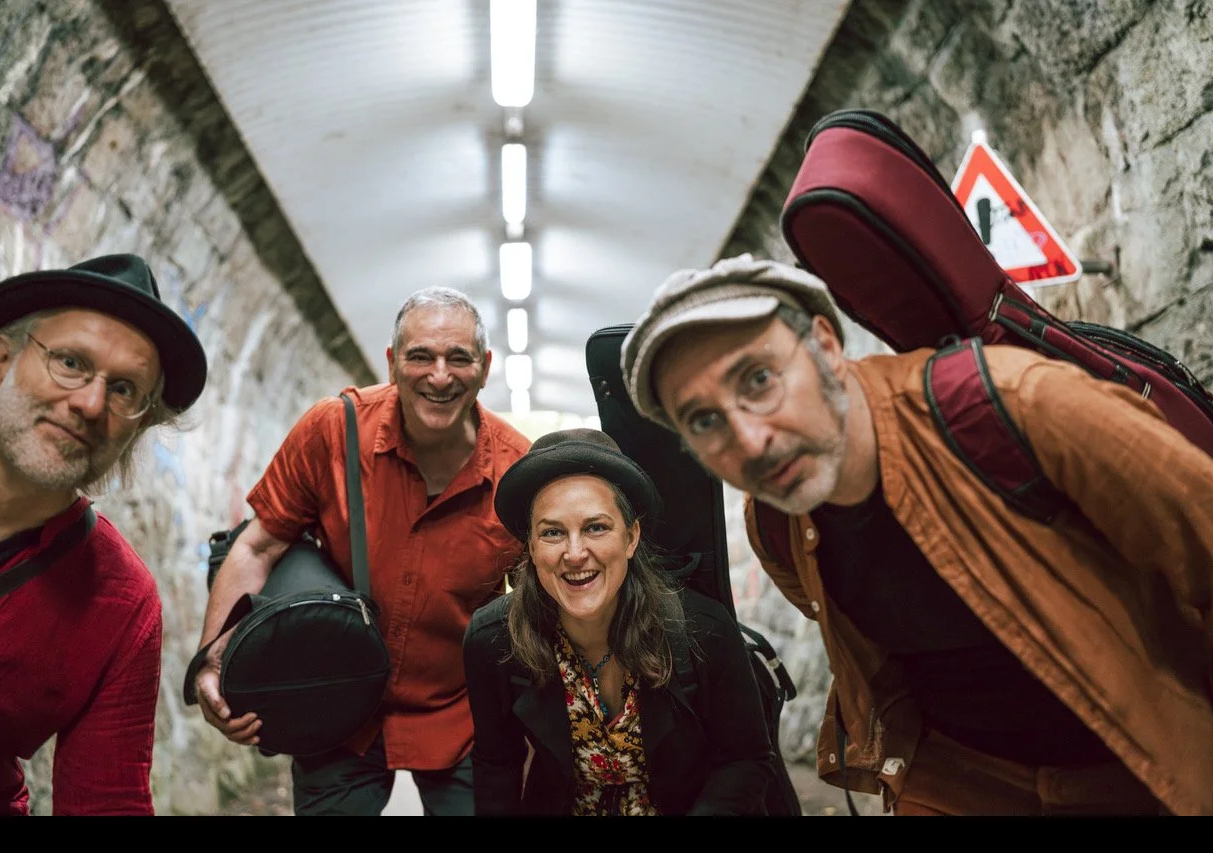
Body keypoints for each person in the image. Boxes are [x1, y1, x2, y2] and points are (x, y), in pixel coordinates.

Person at [620, 251, 1213, 816]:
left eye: (758, 380)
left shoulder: (1022, 404)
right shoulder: (776, 522)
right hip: (961, 779)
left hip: (1140, 761)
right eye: (703, 419)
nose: (750, 441)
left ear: (826, 346)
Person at [193, 286, 531, 816]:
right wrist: (213, 660)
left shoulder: (517, 474)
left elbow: (538, 609)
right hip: (334, 702)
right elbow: (258, 545)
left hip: (459, 716)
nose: (440, 375)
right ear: (392, 363)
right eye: (420, 356)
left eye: (458, 358)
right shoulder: (333, 431)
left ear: (485, 368)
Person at [0, 253, 208, 816]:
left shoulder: (119, 604)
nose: (90, 403)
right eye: (70, 362)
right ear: (1, 363)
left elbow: (107, 801)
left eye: (125, 390)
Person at [463, 427, 777, 815]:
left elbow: (745, 761)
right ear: (531, 546)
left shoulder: (703, 629)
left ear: (630, 538)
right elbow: (496, 766)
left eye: (596, 527)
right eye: (553, 532)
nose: (575, 553)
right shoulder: (494, 640)